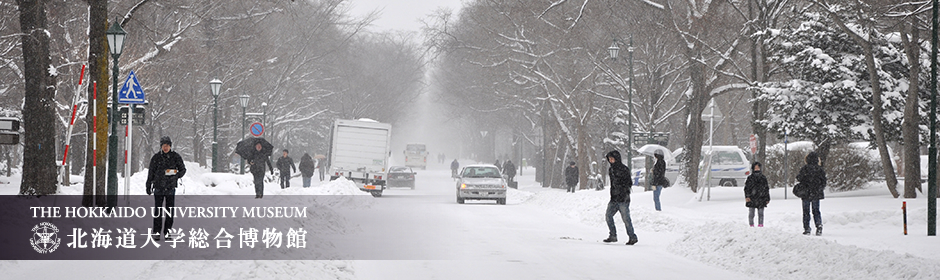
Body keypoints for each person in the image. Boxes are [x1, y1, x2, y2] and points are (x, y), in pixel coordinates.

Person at [145, 136, 186, 241]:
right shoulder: (156, 158)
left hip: (170, 187)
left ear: (170, 146)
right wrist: (148, 184)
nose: (165, 147)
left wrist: (175, 175)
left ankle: (167, 232)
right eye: (164, 145)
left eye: (167, 145)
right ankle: (156, 232)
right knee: (158, 211)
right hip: (158, 187)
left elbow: (182, 169)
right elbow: (151, 173)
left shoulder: (175, 157)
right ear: (161, 146)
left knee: (169, 211)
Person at [603, 150, 637, 245]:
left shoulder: (624, 169)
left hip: (623, 198)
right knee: (608, 216)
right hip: (614, 198)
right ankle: (612, 235)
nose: (611, 160)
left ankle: (632, 237)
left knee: (626, 218)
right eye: (609, 159)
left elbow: (629, 183)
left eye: (612, 159)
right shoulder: (611, 169)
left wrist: (623, 190)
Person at [796, 151, 826, 236]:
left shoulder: (805, 169)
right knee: (816, 211)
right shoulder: (820, 169)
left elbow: (799, 178)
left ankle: (807, 228)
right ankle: (819, 226)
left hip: (806, 193)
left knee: (806, 211)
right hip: (816, 193)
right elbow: (824, 181)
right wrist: (819, 188)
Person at [744, 161, 770, 227]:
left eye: (758, 167)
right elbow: (746, 188)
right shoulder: (750, 178)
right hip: (752, 197)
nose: (757, 169)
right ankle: (751, 225)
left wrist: (767, 198)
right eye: (755, 168)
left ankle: (760, 225)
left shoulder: (763, 178)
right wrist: (747, 196)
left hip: (761, 198)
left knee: (761, 213)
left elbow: (766, 188)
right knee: (751, 213)